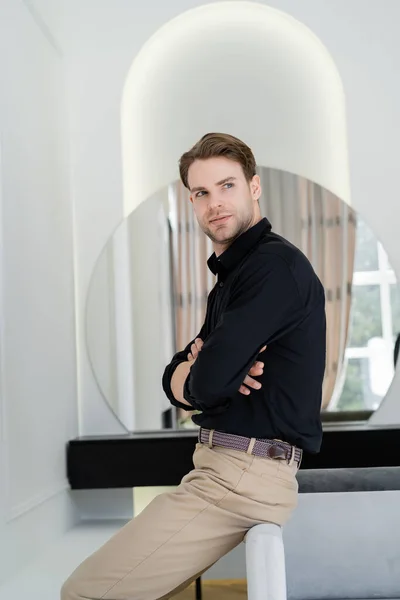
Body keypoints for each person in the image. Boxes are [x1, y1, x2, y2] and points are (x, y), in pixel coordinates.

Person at [61, 133, 326, 600]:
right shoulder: (233, 276)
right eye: (202, 193)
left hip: (241, 477)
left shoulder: (271, 268)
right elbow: (177, 375)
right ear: (191, 200)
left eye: (227, 186)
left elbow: (202, 380)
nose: (215, 204)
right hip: (225, 470)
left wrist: (200, 374)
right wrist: (196, 374)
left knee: (83, 592)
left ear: (254, 187)